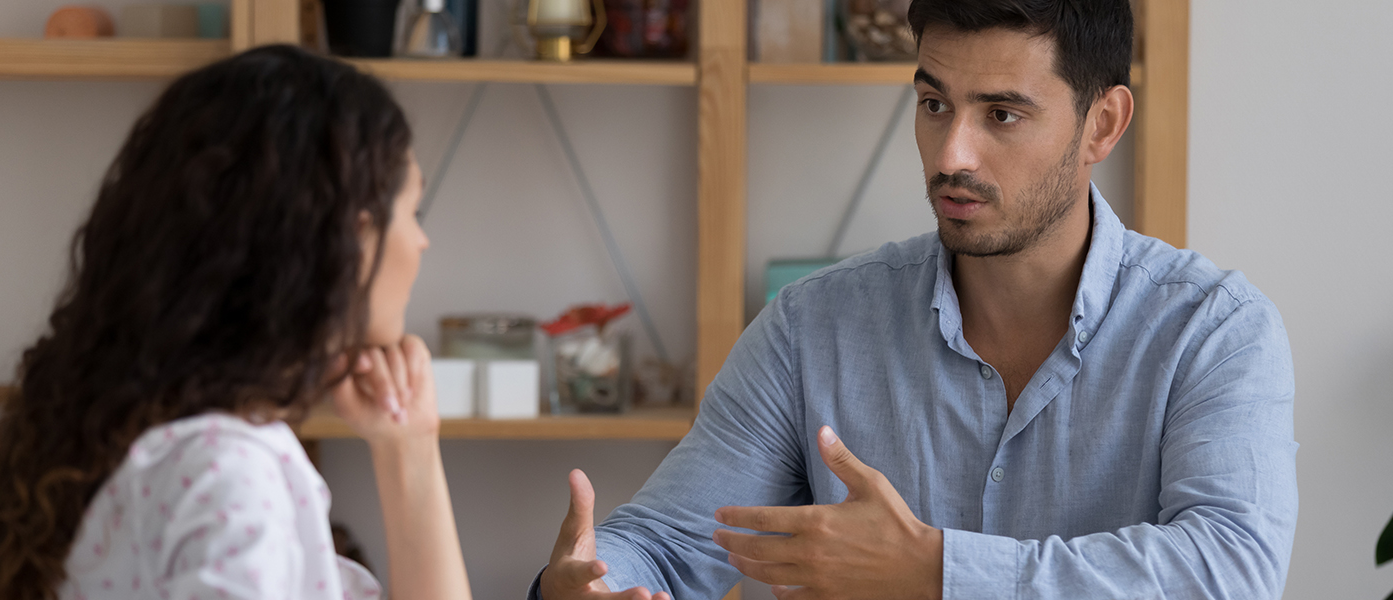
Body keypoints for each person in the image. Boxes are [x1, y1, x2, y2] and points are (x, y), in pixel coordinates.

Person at [535, 1, 1297, 599]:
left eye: (1002, 114)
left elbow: (1229, 572)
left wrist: (936, 572)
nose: (952, 155)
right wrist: (584, 583)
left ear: (1102, 123)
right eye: (935, 104)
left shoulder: (1215, 332)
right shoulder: (810, 329)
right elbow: (669, 544)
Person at [0, 45, 472, 600]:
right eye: (413, 212)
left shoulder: (176, 450)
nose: (421, 240)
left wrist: (408, 446)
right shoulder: (228, 478)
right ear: (350, 242)